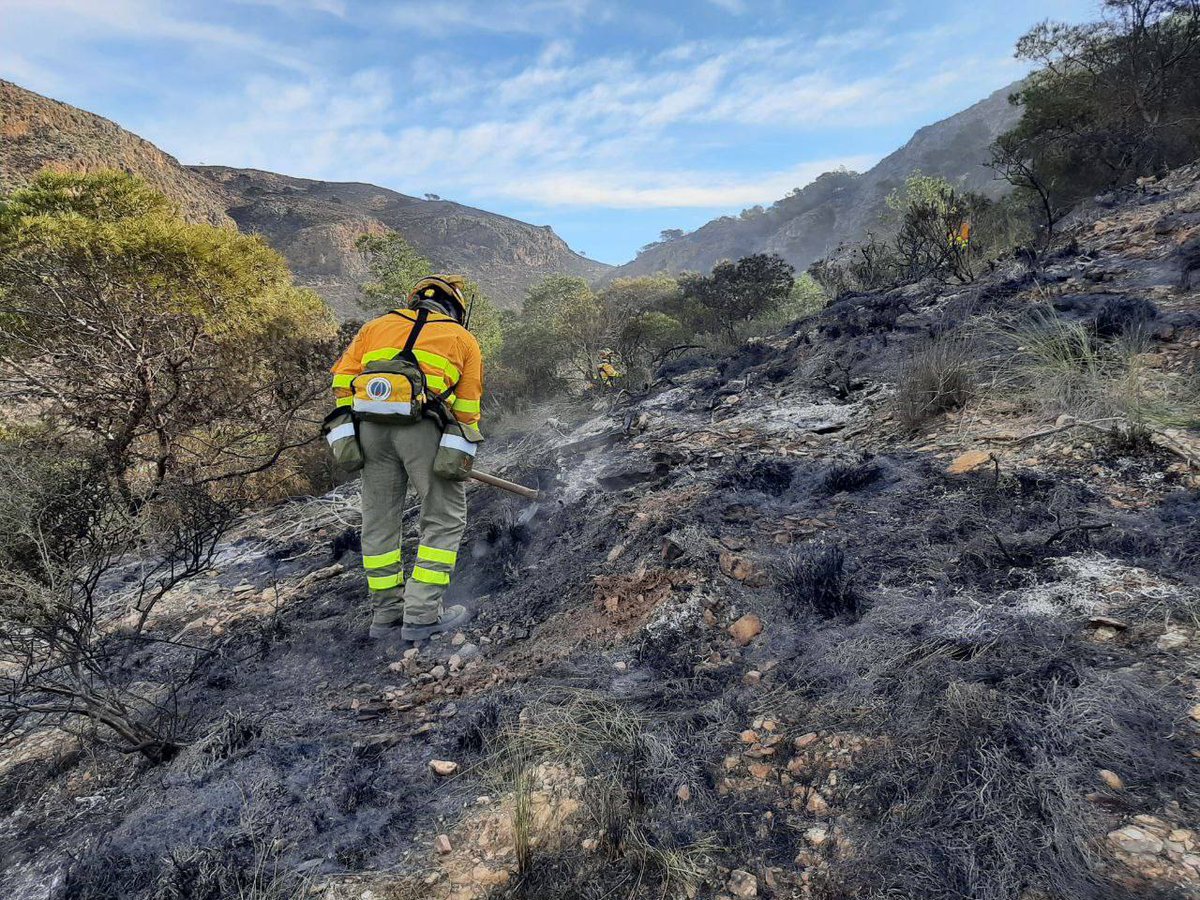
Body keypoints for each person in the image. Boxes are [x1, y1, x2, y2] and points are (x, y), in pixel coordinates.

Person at [330, 275, 483, 641]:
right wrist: (454, 448)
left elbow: (342, 381)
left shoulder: (374, 327)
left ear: (415, 299)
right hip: (426, 430)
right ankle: (422, 613)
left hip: (369, 432)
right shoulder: (463, 339)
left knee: (379, 520)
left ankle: (386, 616)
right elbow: (468, 408)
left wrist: (356, 429)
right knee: (443, 517)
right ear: (455, 307)